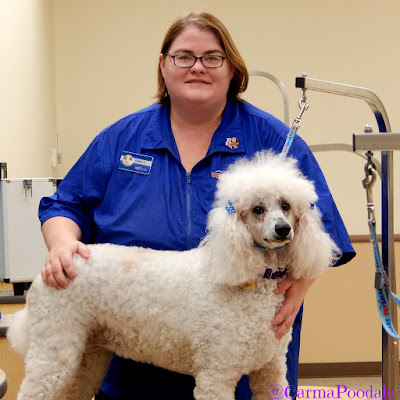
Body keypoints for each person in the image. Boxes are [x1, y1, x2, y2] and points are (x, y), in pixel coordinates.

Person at [39, 11, 355, 400]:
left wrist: (299, 288)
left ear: (232, 70)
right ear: (163, 65)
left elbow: (321, 231)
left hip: (245, 353)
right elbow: (65, 205)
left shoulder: (272, 137)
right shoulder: (121, 137)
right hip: (130, 365)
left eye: (212, 57)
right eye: (183, 56)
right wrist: (60, 244)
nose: (197, 67)